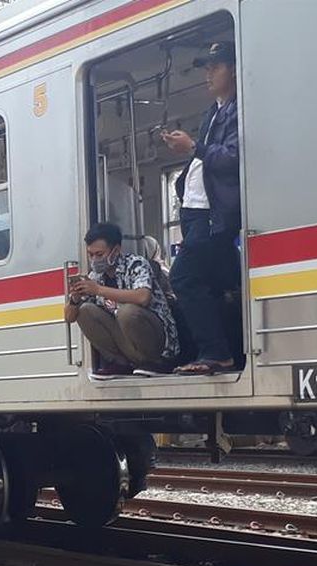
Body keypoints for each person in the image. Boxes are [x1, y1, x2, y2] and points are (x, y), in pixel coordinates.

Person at [163, 41, 242, 375]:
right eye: (206, 67)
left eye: (215, 66)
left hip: (214, 215)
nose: (208, 74)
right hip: (197, 213)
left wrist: (193, 146)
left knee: (183, 277)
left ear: (235, 69)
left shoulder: (240, 109)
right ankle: (225, 352)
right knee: (218, 285)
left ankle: (215, 353)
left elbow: (233, 158)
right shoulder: (215, 110)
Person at [65, 222, 179, 376]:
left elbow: (143, 297)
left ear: (116, 250)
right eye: (90, 255)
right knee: (85, 311)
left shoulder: (136, 264)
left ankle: (158, 363)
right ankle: (120, 363)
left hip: (157, 342)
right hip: (129, 344)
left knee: (127, 312)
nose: (94, 260)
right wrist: (75, 299)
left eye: (99, 254)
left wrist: (99, 290)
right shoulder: (95, 276)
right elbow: (69, 317)